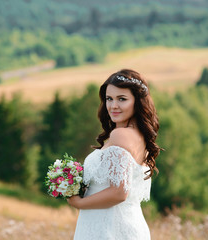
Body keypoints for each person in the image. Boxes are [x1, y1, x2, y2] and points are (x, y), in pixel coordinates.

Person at [67, 69, 161, 240]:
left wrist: (79, 203)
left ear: (137, 102)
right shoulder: (138, 136)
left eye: (122, 99)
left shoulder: (121, 135)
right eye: (109, 99)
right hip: (121, 224)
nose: (113, 105)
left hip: (109, 228)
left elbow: (119, 192)